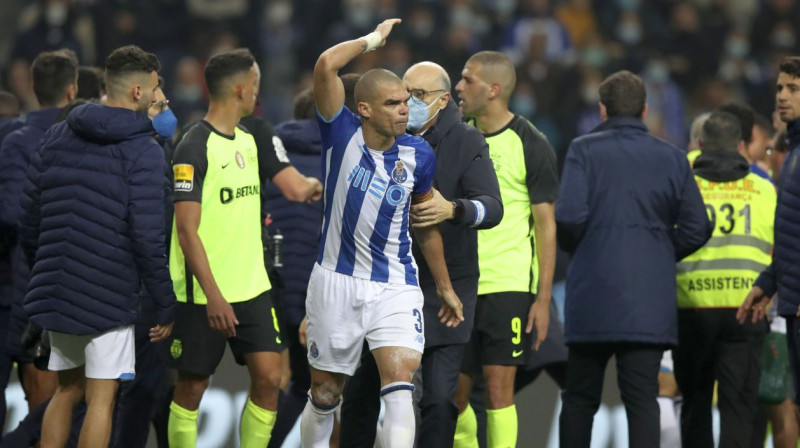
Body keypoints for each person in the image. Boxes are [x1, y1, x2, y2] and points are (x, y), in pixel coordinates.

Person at [302, 19, 464, 448]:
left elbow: (425, 223)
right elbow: (325, 65)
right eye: (393, 103)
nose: (404, 110)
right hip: (336, 281)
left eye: (406, 101)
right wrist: (372, 41)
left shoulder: (419, 155)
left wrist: (444, 286)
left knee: (399, 386)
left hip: (396, 283)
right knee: (325, 394)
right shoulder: (340, 133)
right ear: (365, 109)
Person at [338, 59, 503, 448]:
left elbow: (493, 208)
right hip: (384, 282)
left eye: (418, 94)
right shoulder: (379, 135)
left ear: (443, 100)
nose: (407, 102)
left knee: (441, 400)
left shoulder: (467, 141)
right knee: (360, 393)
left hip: (445, 289)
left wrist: (455, 209)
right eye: (403, 93)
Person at [19, 44, 176, 448]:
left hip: (58, 286)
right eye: (154, 87)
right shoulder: (145, 150)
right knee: (102, 399)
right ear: (138, 91)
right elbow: (147, 236)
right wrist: (164, 301)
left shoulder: (59, 134)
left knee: (66, 390)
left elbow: (30, 215)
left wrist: (44, 267)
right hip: (109, 293)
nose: (156, 95)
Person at [556, 70, 711, 447]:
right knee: (643, 399)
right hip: (648, 300)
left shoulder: (582, 150)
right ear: (644, 111)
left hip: (592, 295)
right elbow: (698, 227)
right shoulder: (672, 157)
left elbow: (569, 217)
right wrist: (660, 253)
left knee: (579, 399)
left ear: (602, 110)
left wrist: (586, 249)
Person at [164, 48, 283, 448]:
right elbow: (186, 231)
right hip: (204, 294)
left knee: (270, 378)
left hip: (253, 287)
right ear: (240, 89)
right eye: (255, 84)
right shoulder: (192, 146)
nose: (258, 91)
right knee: (193, 387)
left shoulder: (249, 141)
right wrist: (214, 295)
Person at [450, 50, 559, 448]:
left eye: (468, 80)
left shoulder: (531, 142)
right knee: (453, 396)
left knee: (499, 392)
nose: (458, 87)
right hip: (459, 286)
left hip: (507, 285)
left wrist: (542, 300)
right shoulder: (456, 136)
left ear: (494, 90)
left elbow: (546, 227)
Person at [674, 110, 775, 447]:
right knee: (739, 409)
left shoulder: (683, 186)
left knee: (695, 405)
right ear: (741, 146)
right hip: (746, 310)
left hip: (692, 308)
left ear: (700, 145)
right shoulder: (764, 189)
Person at [0, 49, 78, 418]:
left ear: (32, 87)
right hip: (75, 288)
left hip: (19, 284)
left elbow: (11, 214)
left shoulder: (15, 142)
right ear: (72, 90)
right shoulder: (87, 141)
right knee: (63, 406)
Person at [738, 56, 800, 446]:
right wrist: (769, 281)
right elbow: (792, 234)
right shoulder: (793, 155)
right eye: (780, 88)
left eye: (793, 89)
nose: (782, 96)